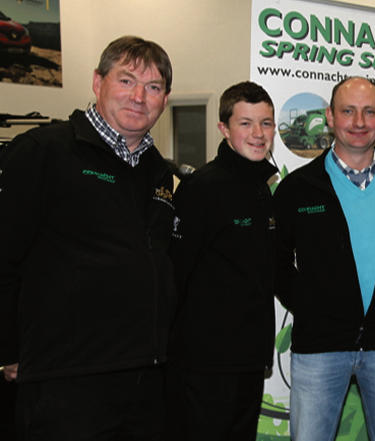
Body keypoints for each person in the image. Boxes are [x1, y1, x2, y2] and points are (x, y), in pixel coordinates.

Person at [0, 35, 174, 440]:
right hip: (65, 378)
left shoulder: (158, 172)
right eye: (126, 80)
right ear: (98, 82)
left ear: (165, 99)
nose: (139, 97)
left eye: (153, 87)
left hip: (143, 380)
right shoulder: (45, 151)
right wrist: (8, 349)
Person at [273, 76, 375, 441]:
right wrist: (311, 306)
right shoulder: (298, 188)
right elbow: (274, 262)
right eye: (348, 111)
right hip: (319, 347)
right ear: (330, 117)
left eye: (369, 112)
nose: (359, 122)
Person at [166, 81, 278, 441]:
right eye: (246, 123)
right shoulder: (203, 189)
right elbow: (175, 275)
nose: (258, 134)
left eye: (266, 123)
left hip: (248, 359)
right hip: (204, 365)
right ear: (224, 129)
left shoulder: (262, 188)